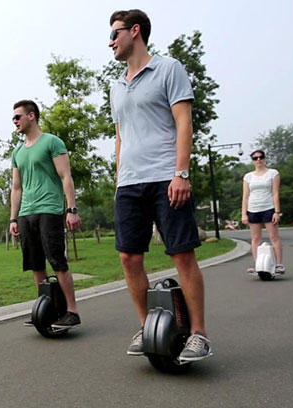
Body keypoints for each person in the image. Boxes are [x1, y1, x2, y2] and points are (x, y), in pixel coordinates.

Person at [108, 9, 212, 362]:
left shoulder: (169, 69)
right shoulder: (116, 86)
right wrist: (119, 178)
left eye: (115, 33)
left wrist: (181, 173)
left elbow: (184, 122)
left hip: (166, 177)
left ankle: (199, 333)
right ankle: (144, 325)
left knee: (181, 254)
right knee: (128, 257)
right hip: (130, 183)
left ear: (135, 31)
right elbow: (121, 136)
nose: (111, 42)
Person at [9, 99, 82, 329]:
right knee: (36, 264)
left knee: (57, 261)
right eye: (13, 118)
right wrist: (13, 218)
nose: (14, 121)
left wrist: (71, 209)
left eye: (18, 116)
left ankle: (72, 311)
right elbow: (16, 188)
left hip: (49, 209)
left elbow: (65, 176)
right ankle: (46, 309)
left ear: (31, 116)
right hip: (26, 213)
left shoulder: (52, 142)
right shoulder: (17, 152)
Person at [241, 149, 285, 274]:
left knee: (274, 237)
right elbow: (245, 196)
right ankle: (257, 265)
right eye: (255, 158)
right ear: (253, 161)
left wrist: (277, 212)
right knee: (255, 238)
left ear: (265, 158)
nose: (258, 160)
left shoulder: (273, 173)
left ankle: (279, 265)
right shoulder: (248, 177)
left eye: (260, 157)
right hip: (253, 209)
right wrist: (244, 214)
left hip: (268, 208)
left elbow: (275, 193)